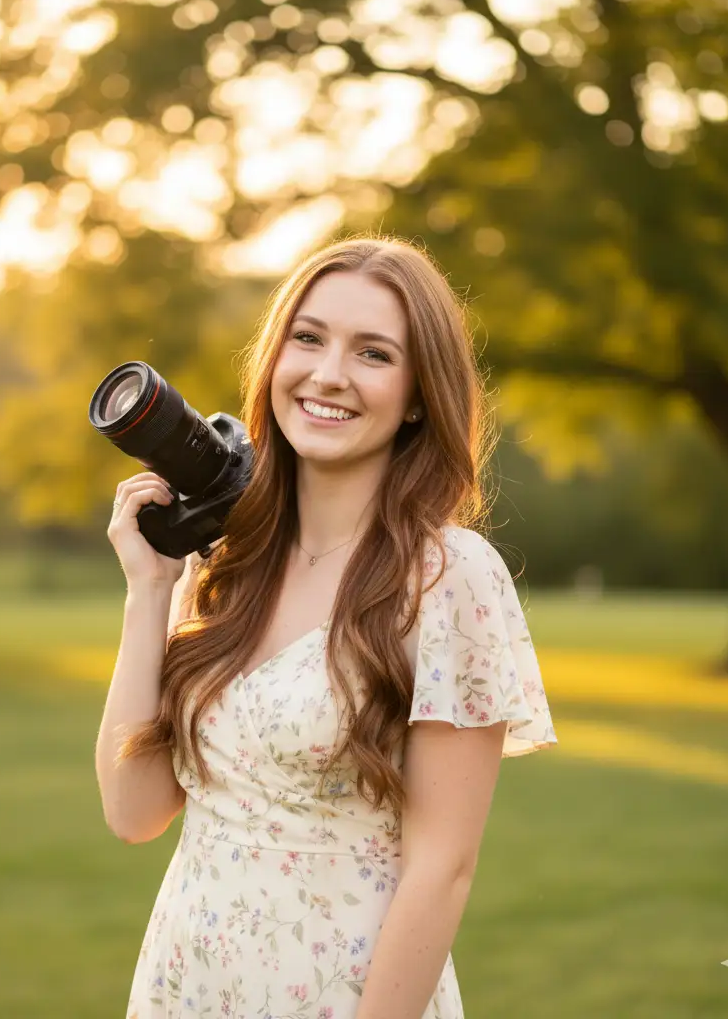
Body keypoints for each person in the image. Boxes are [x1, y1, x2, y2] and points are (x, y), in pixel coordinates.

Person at [97, 235, 558, 1019]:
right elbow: (134, 811)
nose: (328, 374)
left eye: (373, 353)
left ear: (418, 393)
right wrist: (151, 591)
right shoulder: (227, 562)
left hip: (344, 997)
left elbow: (441, 867)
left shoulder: (447, 577)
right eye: (307, 339)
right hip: (187, 987)